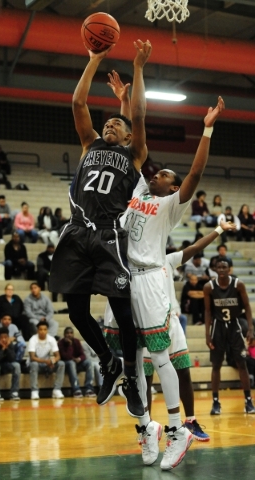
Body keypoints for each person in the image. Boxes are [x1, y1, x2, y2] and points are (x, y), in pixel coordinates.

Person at [105, 72, 224, 469]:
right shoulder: (139, 190)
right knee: (128, 363)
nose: (156, 176)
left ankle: (177, 430)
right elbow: (131, 146)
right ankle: (146, 430)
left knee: (160, 360)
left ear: (173, 189)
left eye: (164, 176)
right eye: (156, 174)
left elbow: (194, 175)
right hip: (123, 277)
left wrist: (205, 132)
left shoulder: (172, 204)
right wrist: (124, 102)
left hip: (152, 279)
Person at [49, 40, 152, 418]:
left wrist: (138, 69)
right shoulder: (90, 144)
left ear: (127, 137)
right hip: (77, 232)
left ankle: (130, 379)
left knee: (123, 316)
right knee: (75, 310)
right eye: (108, 121)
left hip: (109, 235)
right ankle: (108, 361)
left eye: (117, 124)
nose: (110, 124)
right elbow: (79, 104)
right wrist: (93, 60)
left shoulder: (134, 154)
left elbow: (137, 115)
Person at [143, 220, 236, 441]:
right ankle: (146, 427)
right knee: (145, 379)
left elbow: (195, 248)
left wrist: (220, 229)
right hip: (147, 323)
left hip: (172, 322)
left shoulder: (168, 260)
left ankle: (190, 421)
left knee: (184, 372)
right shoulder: (135, 265)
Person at [204, 258, 255, 414]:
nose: (221, 269)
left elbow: (246, 306)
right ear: (215, 269)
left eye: (224, 267)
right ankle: (215, 402)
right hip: (218, 327)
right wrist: (207, 334)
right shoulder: (209, 287)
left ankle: (248, 401)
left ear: (229, 269)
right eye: (218, 267)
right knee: (216, 365)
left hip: (235, 326)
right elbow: (208, 311)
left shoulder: (238, 284)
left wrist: (251, 328)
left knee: (242, 364)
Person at [28, 320, 65, 400]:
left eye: (45, 329)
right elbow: (32, 357)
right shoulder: (32, 340)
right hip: (37, 364)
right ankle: (34, 391)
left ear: (47, 330)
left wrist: (52, 361)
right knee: (33, 364)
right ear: (37, 330)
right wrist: (46, 361)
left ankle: (57, 389)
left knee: (61, 364)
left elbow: (58, 356)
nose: (42, 331)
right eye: (40, 329)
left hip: (48, 364)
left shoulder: (51, 339)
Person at [58, 327, 96, 398]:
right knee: (71, 363)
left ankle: (89, 389)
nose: (69, 335)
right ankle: (76, 389)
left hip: (77, 364)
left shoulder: (77, 341)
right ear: (64, 334)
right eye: (67, 333)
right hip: (67, 366)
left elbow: (83, 355)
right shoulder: (61, 343)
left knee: (89, 362)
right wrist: (69, 345)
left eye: (71, 333)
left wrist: (79, 359)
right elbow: (66, 357)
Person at [0, 326, 21, 401]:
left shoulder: (9, 344)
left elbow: (12, 358)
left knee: (16, 365)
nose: (4, 339)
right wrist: (2, 349)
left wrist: (7, 348)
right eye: (1, 337)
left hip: (6, 365)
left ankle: (14, 392)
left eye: (5, 337)